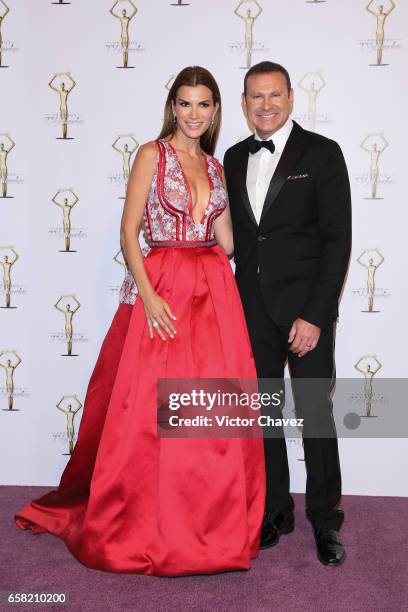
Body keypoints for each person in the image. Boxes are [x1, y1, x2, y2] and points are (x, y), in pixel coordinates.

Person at [14, 66, 266, 577]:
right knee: (148, 415)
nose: (194, 114)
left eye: (203, 105)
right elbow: (130, 233)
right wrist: (149, 295)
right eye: (185, 103)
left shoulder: (216, 168)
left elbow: (229, 241)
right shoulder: (152, 154)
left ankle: (207, 524)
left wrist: (244, 241)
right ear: (172, 106)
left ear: (216, 110)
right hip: (165, 286)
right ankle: (148, 524)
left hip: (212, 291)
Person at [223, 61, 351, 566]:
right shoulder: (232, 157)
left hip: (307, 313)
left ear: (292, 98)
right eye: (256, 96)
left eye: (275, 95)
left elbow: (338, 240)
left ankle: (325, 520)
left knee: (316, 417)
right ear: (244, 102)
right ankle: (275, 511)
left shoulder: (322, 153)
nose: (266, 104)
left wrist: (317, 315)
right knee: (265, 418)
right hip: (251, 310)